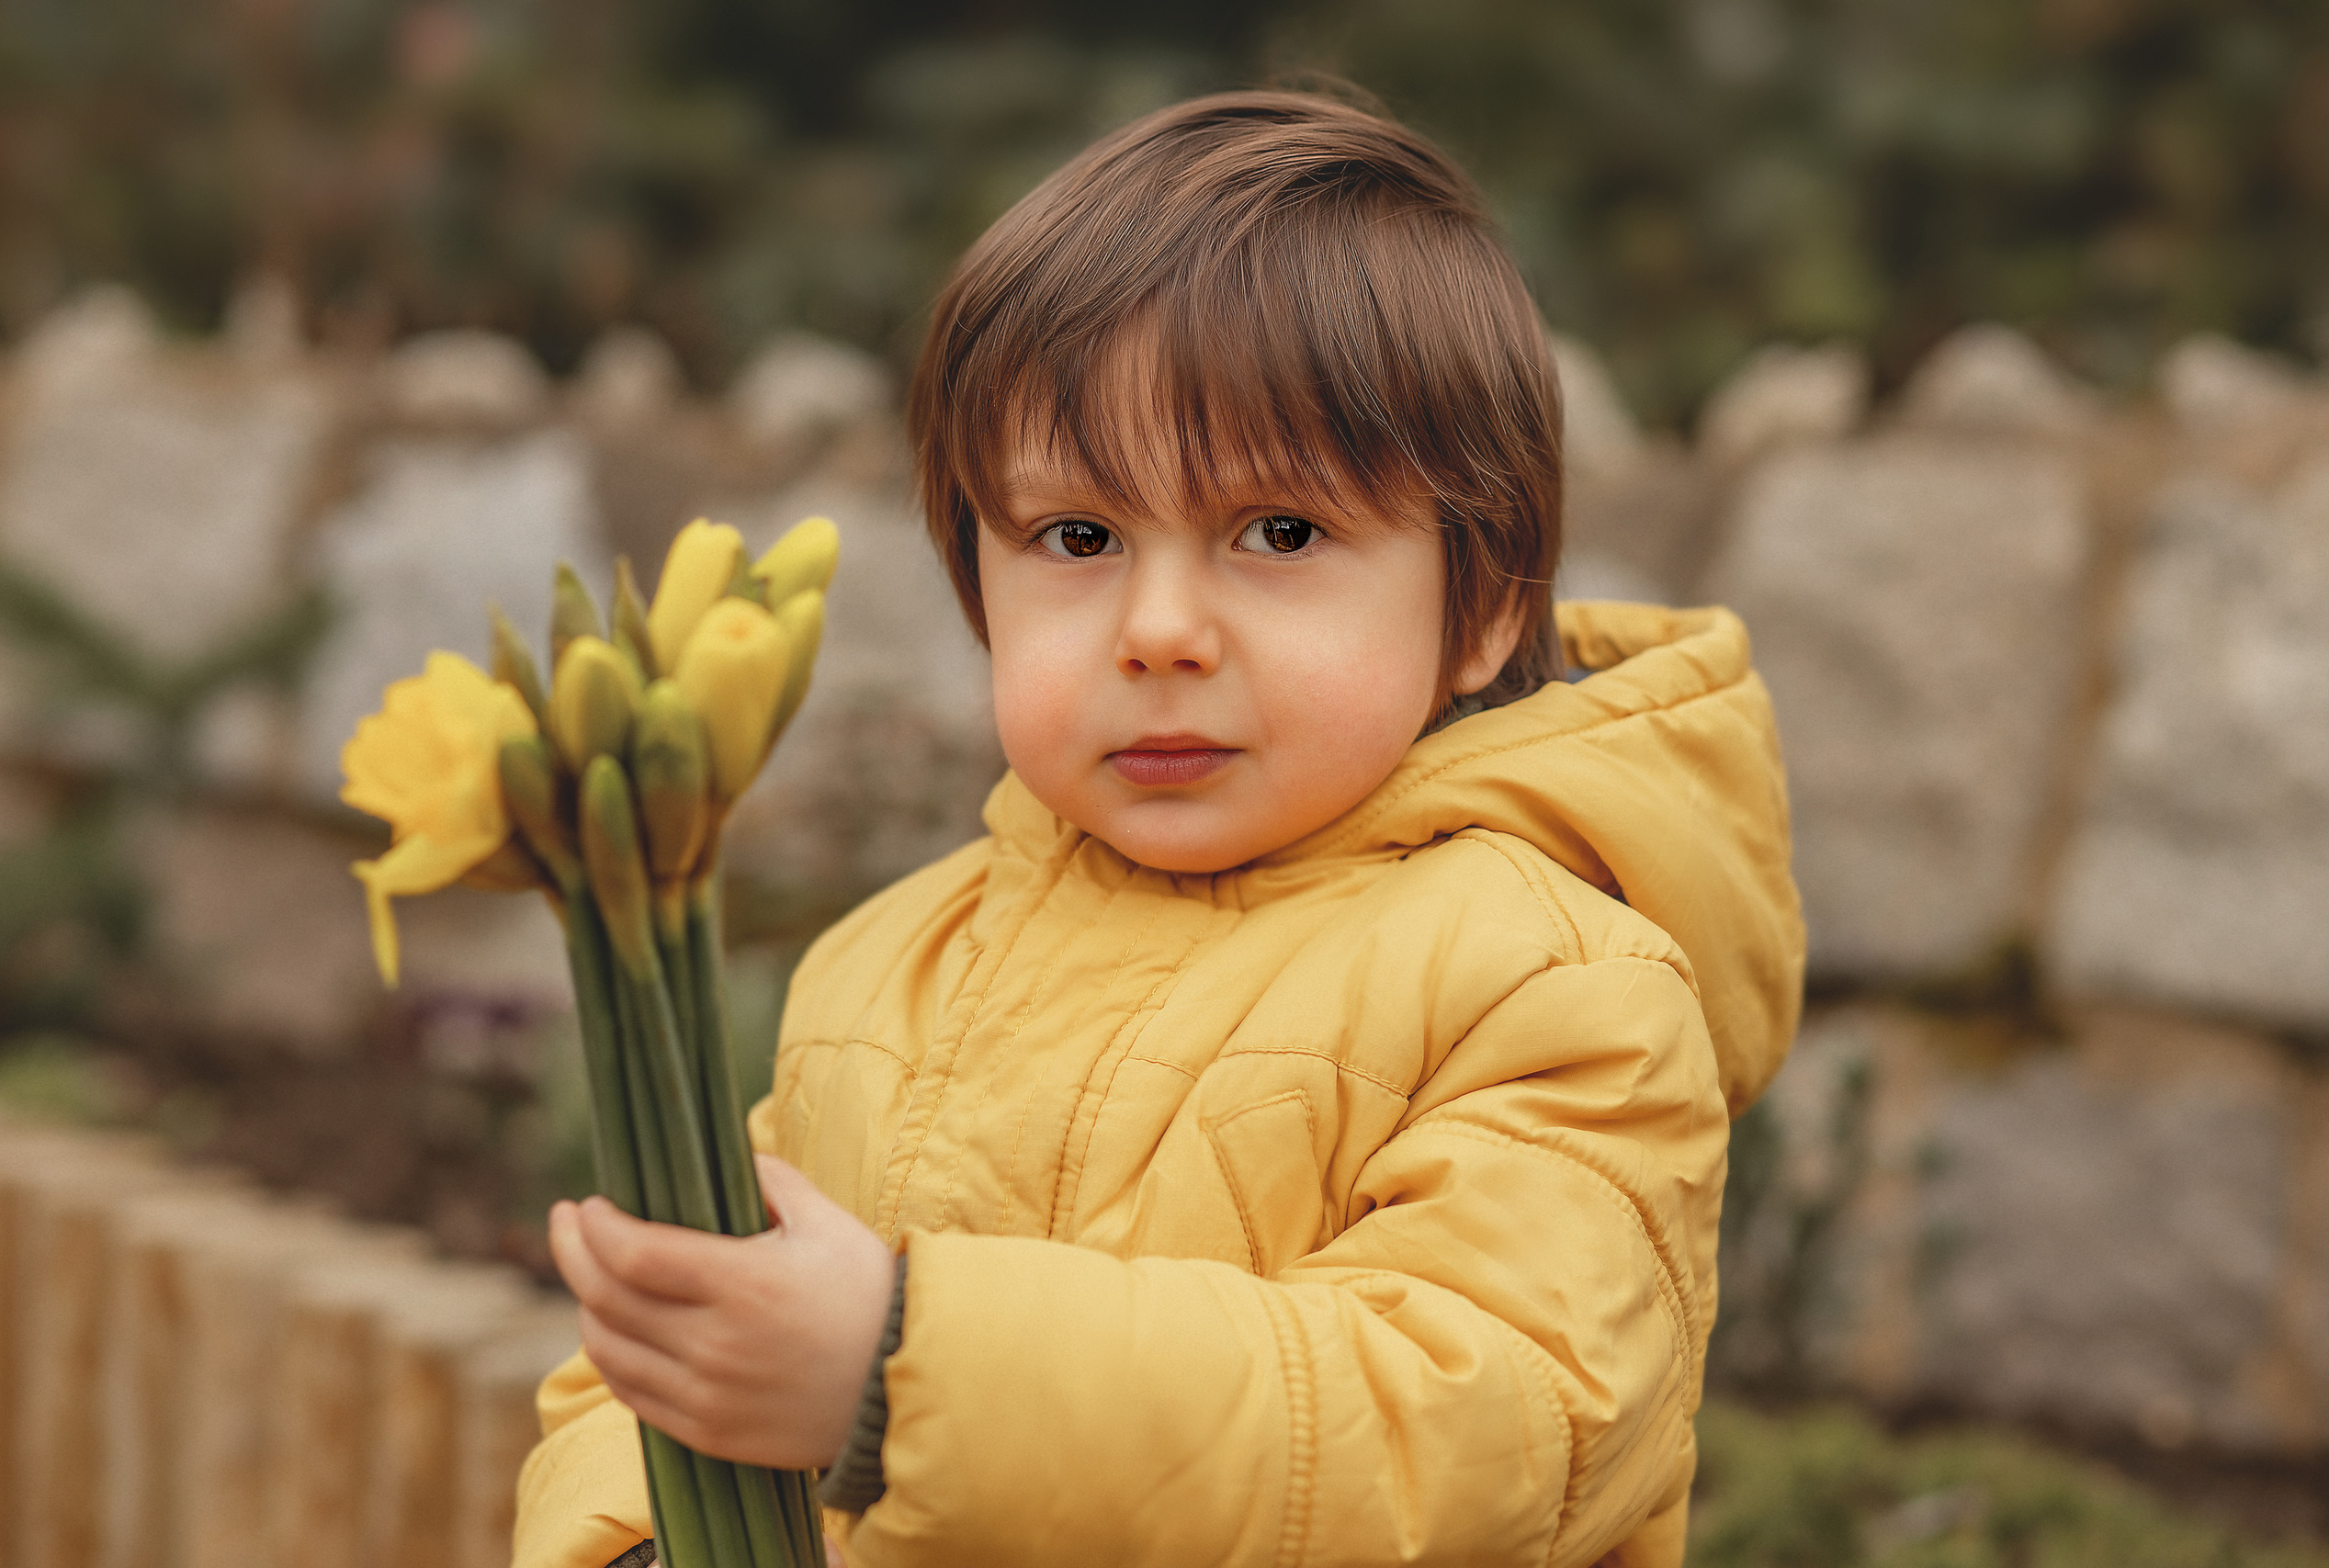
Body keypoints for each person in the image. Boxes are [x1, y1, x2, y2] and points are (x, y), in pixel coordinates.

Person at [517, 88, 1803, 1568]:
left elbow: (1470, 1434)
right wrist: (632, 1540)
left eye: (1281, 534)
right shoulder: (888, 969)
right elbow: (668, 1348)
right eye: (1079, 539)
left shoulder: (1558, 988)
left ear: (1485, 603)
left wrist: (898, 1373)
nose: (1163, 629)